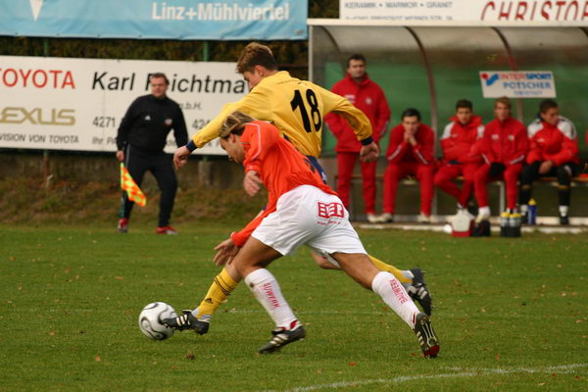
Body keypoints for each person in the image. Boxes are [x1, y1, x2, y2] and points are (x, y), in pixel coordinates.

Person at [170, 43, 432, 333]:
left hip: (294, 175)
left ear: (258, 70)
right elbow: (348, 107)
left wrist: (190, 145)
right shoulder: (310, 88)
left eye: (248, 79)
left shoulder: (264, 91)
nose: (249, 86)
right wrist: (367, 140)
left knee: (249, 251)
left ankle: (204, 313)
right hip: (309, 169)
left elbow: (227, 119)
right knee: (325, 257)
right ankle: (407, 279)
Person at [166, 112, 440, 357]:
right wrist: (238, 238)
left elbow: (260, 133)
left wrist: (251, 167)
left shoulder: (256, 129)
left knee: (245, 264)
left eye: (226, 147)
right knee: (368, 274)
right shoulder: (277, 161)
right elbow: (271, 209)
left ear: (233, 136)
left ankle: (288, 325)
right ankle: (414, 316)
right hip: (327, 205)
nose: (228, 155)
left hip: (300, 203)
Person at [115, 72, 188, 234]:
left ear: (167, 86)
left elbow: (181, 134)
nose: (157, 88)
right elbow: (124, 126)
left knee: (170, 185)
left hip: (158, 154)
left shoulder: (173, 108)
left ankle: (163, 225)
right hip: (135, 152)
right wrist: (120, 147)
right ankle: (123, 220)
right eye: (154, 85)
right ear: (151, 86)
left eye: (160, 85)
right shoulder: (140, 103)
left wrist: (183, 154)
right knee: (131, 188)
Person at [325, 54, 391, 223]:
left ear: (365, 67)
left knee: (369, 181)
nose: (358, 69)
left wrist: (372, 139)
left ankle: (370, 212)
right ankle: (343, 215)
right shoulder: (339, 88)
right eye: (354, 66)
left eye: (360, 66)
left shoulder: (375, 90)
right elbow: (329, 114)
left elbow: (384, 116)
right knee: (343, 181)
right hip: (346, 144)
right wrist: (341, 133)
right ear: (348, 69)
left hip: (368, 146)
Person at [519, 99, 581, 225]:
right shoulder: (533, 127)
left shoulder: (565, 125)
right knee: (526, 172)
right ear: (543, 115)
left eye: (557, 114)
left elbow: (570, 150)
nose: (555, 117)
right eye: (552, 115)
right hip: (543, 163)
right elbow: (532, 150)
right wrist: (538, 162)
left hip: (566, 162)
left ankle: (563, 213)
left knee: (563, 173)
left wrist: (551, 161)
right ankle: (524, 212)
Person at [472, 97, 528, 235]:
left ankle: (511, 209)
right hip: (495, 163)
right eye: (499, 108)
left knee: (509, 175)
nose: (502, 112)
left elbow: (523, 151)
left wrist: (507, 163)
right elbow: (485, 148)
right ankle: (484, 210)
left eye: (505, 108)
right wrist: (492, 162)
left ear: (509, 110)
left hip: (513, 164)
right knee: (478, 175)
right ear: (495, 110)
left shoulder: (518, 127)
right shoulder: (490, 127)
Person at [381, 108, 436, 223]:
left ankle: (425, 214)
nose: (410, 127)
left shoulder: (428, 132)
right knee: (390, 170)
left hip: (419, 165)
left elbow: (426, 160)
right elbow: (392, 159)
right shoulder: (396, 132)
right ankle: (388, 212)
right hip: (401, 164)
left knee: (427, 170)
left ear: (419, 123)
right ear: (402, 123)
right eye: (407, 123)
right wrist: (404, 143)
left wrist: (414, 144)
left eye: (413, 123)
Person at [434, 99, 484, 212]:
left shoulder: (480, 128)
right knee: (438, 180)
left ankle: (462, 206)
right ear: (456, 113)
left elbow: (479, 152)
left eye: (466, 112)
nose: (464, 116)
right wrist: (467, 149)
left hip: (471, 163)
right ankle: (466, 200)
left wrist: (458, 149)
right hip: (453, 163)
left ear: (471, 113)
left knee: (471, 179)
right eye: (461, 113)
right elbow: (446, 151)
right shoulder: (449, 127)